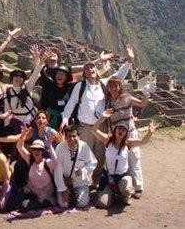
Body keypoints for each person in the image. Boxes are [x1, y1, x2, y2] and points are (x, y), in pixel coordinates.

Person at [60, 45, 135, 184]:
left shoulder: (103, 84)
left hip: (101, 127)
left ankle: (96, 181)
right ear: (84, 73)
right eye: (87, 69)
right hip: (85, 128)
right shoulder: (80, 87)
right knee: (83, 154)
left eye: (92, 68)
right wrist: (65, 118)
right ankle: (80, 181)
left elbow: (119, 75)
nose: (90, 70)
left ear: (96, 70)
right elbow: (71, 104)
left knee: (100, 156)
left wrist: (129, 60)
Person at [92, 109, 156, 208]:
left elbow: (143, 141)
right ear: (115, 130)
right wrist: (103, 117)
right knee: (103, 204)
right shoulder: (107, 140)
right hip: (108, 177)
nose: (121, 131)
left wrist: (149, 133)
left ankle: (125, 194)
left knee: (126, 191)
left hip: (122, 177)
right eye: (119, 128)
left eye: (124, 129)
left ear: (126, 132)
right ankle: (111, 194)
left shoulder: (128, 143)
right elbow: (94, 130)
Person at [103, 76, 153, 198]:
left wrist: (146, 93)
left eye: (115, 86)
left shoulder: (127, 97)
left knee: (134, 158)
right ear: (108, 88)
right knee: (122, 160)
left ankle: (138, 187)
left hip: (129, 132)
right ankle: (126, 186)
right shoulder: (108, 102)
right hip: (117, 135)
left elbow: (142, 104)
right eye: (111, 86)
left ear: (120, 87)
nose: (113, 88)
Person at [13, 125, 58, 212]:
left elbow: (56, 161)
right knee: (16, 203)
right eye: (34, 149)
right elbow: (19, 147)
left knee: (25, 206)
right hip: (31, 192)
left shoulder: (47, 163)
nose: (36, 151)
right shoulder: (30, 159)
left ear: (43, 151)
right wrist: (23, 135)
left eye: (39, 149)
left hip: (46, 196)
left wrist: (50, 146)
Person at [54, 125, 97, 208]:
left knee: (82, 203)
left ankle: (79, 195)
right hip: (65, 181)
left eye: (74, 136)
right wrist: (63, 189)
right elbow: (57, 170)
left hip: (79, 181)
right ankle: (66, 194)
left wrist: (83, 170)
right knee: (64, 205)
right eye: (69, 136)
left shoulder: (84, 146)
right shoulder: (59, 148)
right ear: (65, 137)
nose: (72, 139)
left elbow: (93, 162)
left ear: (78, 136)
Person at [39, 65, 75, 130]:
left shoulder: (70, 88)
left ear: (66, 77)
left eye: (63, 74)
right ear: (55, 75)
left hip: (64, 119)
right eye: (58, 73)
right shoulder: (49, 85)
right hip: (49, 118)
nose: (60, 76)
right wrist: (40, 62)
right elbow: (41, 72)